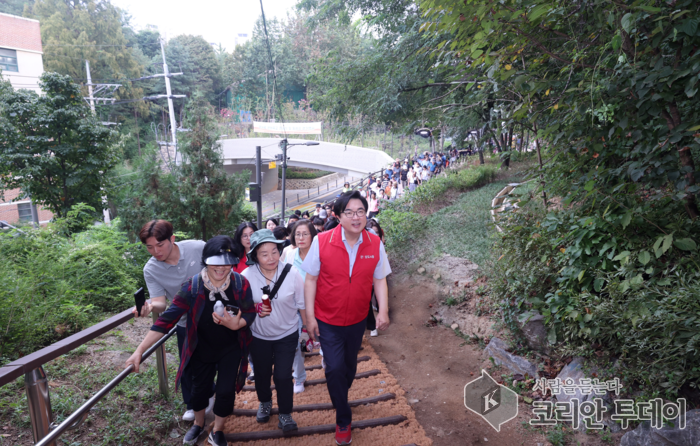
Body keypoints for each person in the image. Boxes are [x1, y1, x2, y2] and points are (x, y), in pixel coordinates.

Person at [126, 236, 257, 446]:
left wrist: (237, 325)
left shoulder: (240, 283)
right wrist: (140, 350)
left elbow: (250, 312)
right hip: (200, 347)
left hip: (231, 348)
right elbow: (166, 320)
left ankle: (218, 430)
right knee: (199, 391)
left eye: (227, 263)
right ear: (205, 260)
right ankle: (198, 423)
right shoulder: (192, 287)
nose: (221, 268)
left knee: (225, 392)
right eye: (215, 262)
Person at [302, 191, 391, 445]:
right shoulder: (322, 241)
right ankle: (343, 419)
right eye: (349, 212)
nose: (356, 217)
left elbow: (380, 279)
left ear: (366, 214)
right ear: (338, 216)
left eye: (360, 211)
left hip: (356, 320)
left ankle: (341, 393)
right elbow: (311, 279)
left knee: (349, 367)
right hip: (327, 319)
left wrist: (382, 311)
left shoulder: (374, 243)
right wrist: (310, 317)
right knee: (335, 368)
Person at [134, 220, 211, 422]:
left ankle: (210, 395)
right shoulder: (150, 269)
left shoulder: (198, 248)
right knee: (187, 363)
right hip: (185, 321)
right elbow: (160, 303)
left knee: (213, 360)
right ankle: (191, 405)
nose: (156, 251)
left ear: (172, 239)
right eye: (149, 247)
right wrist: (150, 307)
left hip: (214, 317)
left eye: (160, 245)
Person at [242, 230, 307, 432]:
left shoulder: (292, 273)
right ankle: (265, 402)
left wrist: (305, 328)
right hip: (258, 336)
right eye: (264, 253)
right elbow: (240, 308)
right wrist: (254, 309)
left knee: (282, 375)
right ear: (254, 256)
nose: (271, 258)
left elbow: (302, 304)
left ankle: (286, 414)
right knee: (261, 373)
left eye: (274, 251)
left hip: (287, 334)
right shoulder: (245, 277)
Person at [283, 219, 318, 393]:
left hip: (319, 305)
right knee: (298, 343)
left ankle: (329, 366)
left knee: (322, 340)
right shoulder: (289, 255)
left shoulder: (320, 253)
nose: (301, 237)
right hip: (296, 308)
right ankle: (299, 377)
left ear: (313, 235)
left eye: (305, 234)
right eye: (297, 234)